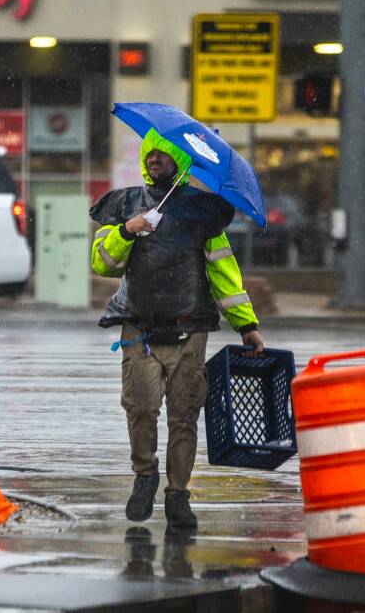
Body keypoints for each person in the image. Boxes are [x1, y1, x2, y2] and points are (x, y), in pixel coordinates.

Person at [90, 129, 265, 529]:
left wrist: (247, 325)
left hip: (190, 331)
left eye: (163, 155)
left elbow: (224, 273)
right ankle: (145, 475)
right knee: (141, 409)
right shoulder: (126, 205)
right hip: (139, 329)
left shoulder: (203, 214)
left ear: (179, 163)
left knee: (184, 416)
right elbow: (102, 263)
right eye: (149, 154)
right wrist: (127, 231)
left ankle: (178, 495)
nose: (154, 160)